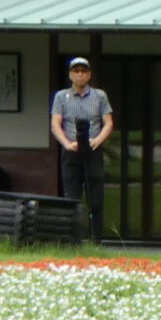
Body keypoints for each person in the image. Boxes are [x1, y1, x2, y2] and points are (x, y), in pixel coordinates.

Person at [49, 57, 113, 241]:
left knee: (96, 197)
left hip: (93, 150)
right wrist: (66, 143)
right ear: (70, 74)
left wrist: (98, 140)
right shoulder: (61, 96)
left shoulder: (99, 96)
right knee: (72, 197)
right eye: (76, 71)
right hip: (72, 151)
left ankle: (96, 239)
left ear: (89, 74)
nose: (80, 74)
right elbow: (55, 124)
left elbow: (108, 123)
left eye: (83, 71)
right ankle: (72, 239)